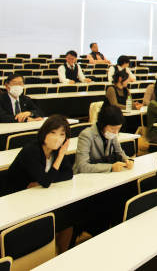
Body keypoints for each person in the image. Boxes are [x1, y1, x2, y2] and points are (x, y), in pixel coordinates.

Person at [5, 114, 74, 251]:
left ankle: (62, 253)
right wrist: (59, 158)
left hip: (38, 196)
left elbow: (68, 174)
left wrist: (41, 181)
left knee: (68, 218)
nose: (57, 138)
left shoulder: (56, 151)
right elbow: (46, 182)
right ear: (44, 133)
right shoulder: (31, 150)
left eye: (62, 134)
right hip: (15, 199)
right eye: (53, 132)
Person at [74, 105, 133, 174]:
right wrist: (111, 167)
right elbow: (82, 166)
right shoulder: (86, 135)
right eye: (112, 129)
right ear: (103, 124)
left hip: (102, 174)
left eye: (118, 129)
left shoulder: (111, 133)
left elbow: (119, 152)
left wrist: (127, 160)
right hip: (84, 176)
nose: (116, 132)